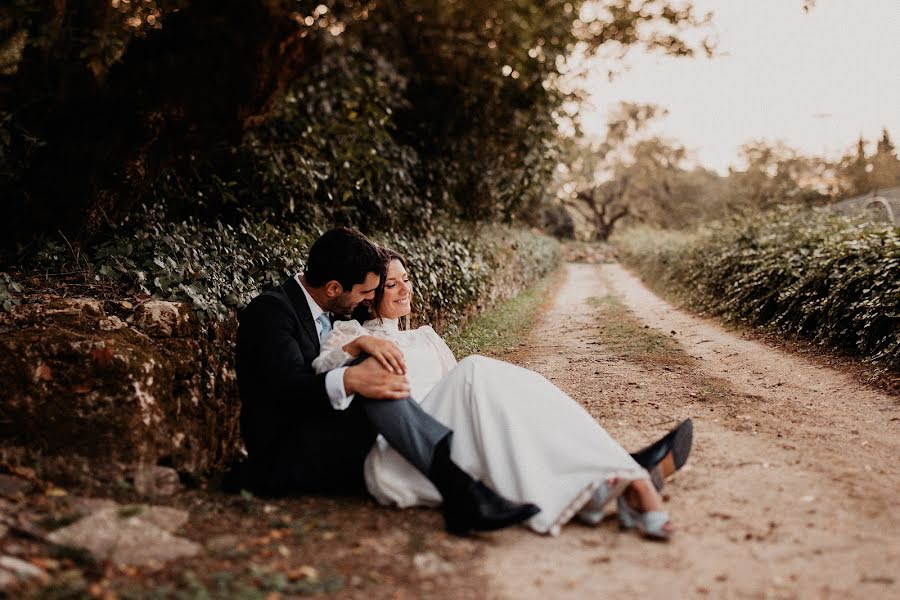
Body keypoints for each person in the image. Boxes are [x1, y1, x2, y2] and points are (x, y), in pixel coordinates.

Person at [313, 247, 691, 539]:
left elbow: (465, 398)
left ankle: (613, 478)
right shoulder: (349, 336)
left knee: (518, 392)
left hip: (452, 435)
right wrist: (359, 344)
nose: (404, 289)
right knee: (475, 370)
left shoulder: (425, 337)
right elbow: (322, 372)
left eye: (406, 279)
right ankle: (630, 471)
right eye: (391, 284)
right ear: (369, 295)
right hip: (401, 450)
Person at [234, 227, 540, 535]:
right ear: (333, 287)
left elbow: (338, 354)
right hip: (284, 453)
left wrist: (359, 354)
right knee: (370, 370)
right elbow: (286, 391)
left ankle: (463, 491)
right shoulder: (271, 312)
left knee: (374, 366)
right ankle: (463, 493)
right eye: (365, 292)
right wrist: (350, 379)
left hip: (327, 429)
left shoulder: (335, 309)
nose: (370, 299)